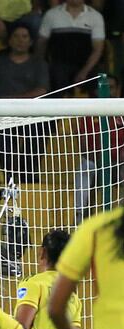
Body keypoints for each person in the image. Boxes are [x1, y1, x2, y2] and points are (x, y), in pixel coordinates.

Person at [0, 25, 50, 185]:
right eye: (16, 36)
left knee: (41, 129)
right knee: (3, 138)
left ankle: (28, 178)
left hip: (31, 116)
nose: (20, 40)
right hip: (2, 116)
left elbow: (41, 90)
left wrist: (11, 99)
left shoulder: (39, 64)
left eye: (24, 36)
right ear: (9, 40)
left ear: (31, 41)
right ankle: (9, 179)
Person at [74, 75, 124, 223]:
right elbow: (83, 148)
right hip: (95, 161)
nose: (109, 91)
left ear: (118, 89)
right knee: (84, 168)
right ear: (96, 90)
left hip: (120, 162)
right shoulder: (88, 114)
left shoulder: (122, 111)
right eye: (105, 87)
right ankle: (79, 218)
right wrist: (101, 157)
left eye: (112, 87)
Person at [36, 0, 105, 93]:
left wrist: (84, 71)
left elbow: (98, 49)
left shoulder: (95, 16)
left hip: (87, 66)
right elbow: (41, 43)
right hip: (59, 67)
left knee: (101, 80)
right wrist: (42, 66)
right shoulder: (51, 15)